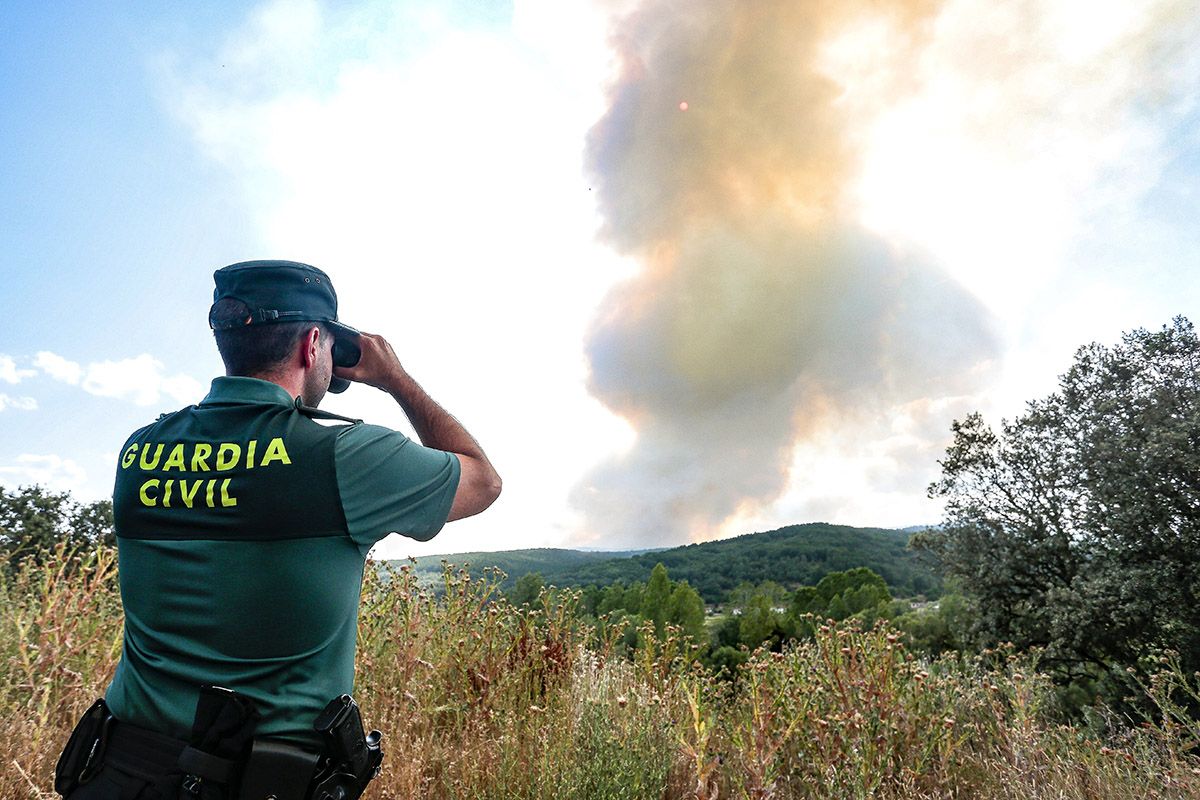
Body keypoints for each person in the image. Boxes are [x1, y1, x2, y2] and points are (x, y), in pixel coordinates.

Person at [55, 260, 501, 799]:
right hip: (257, 783)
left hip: (117, 775)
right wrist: (396, 380)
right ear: (314, 344)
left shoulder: (141, 450)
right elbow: (482, 481)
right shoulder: (344, 454)